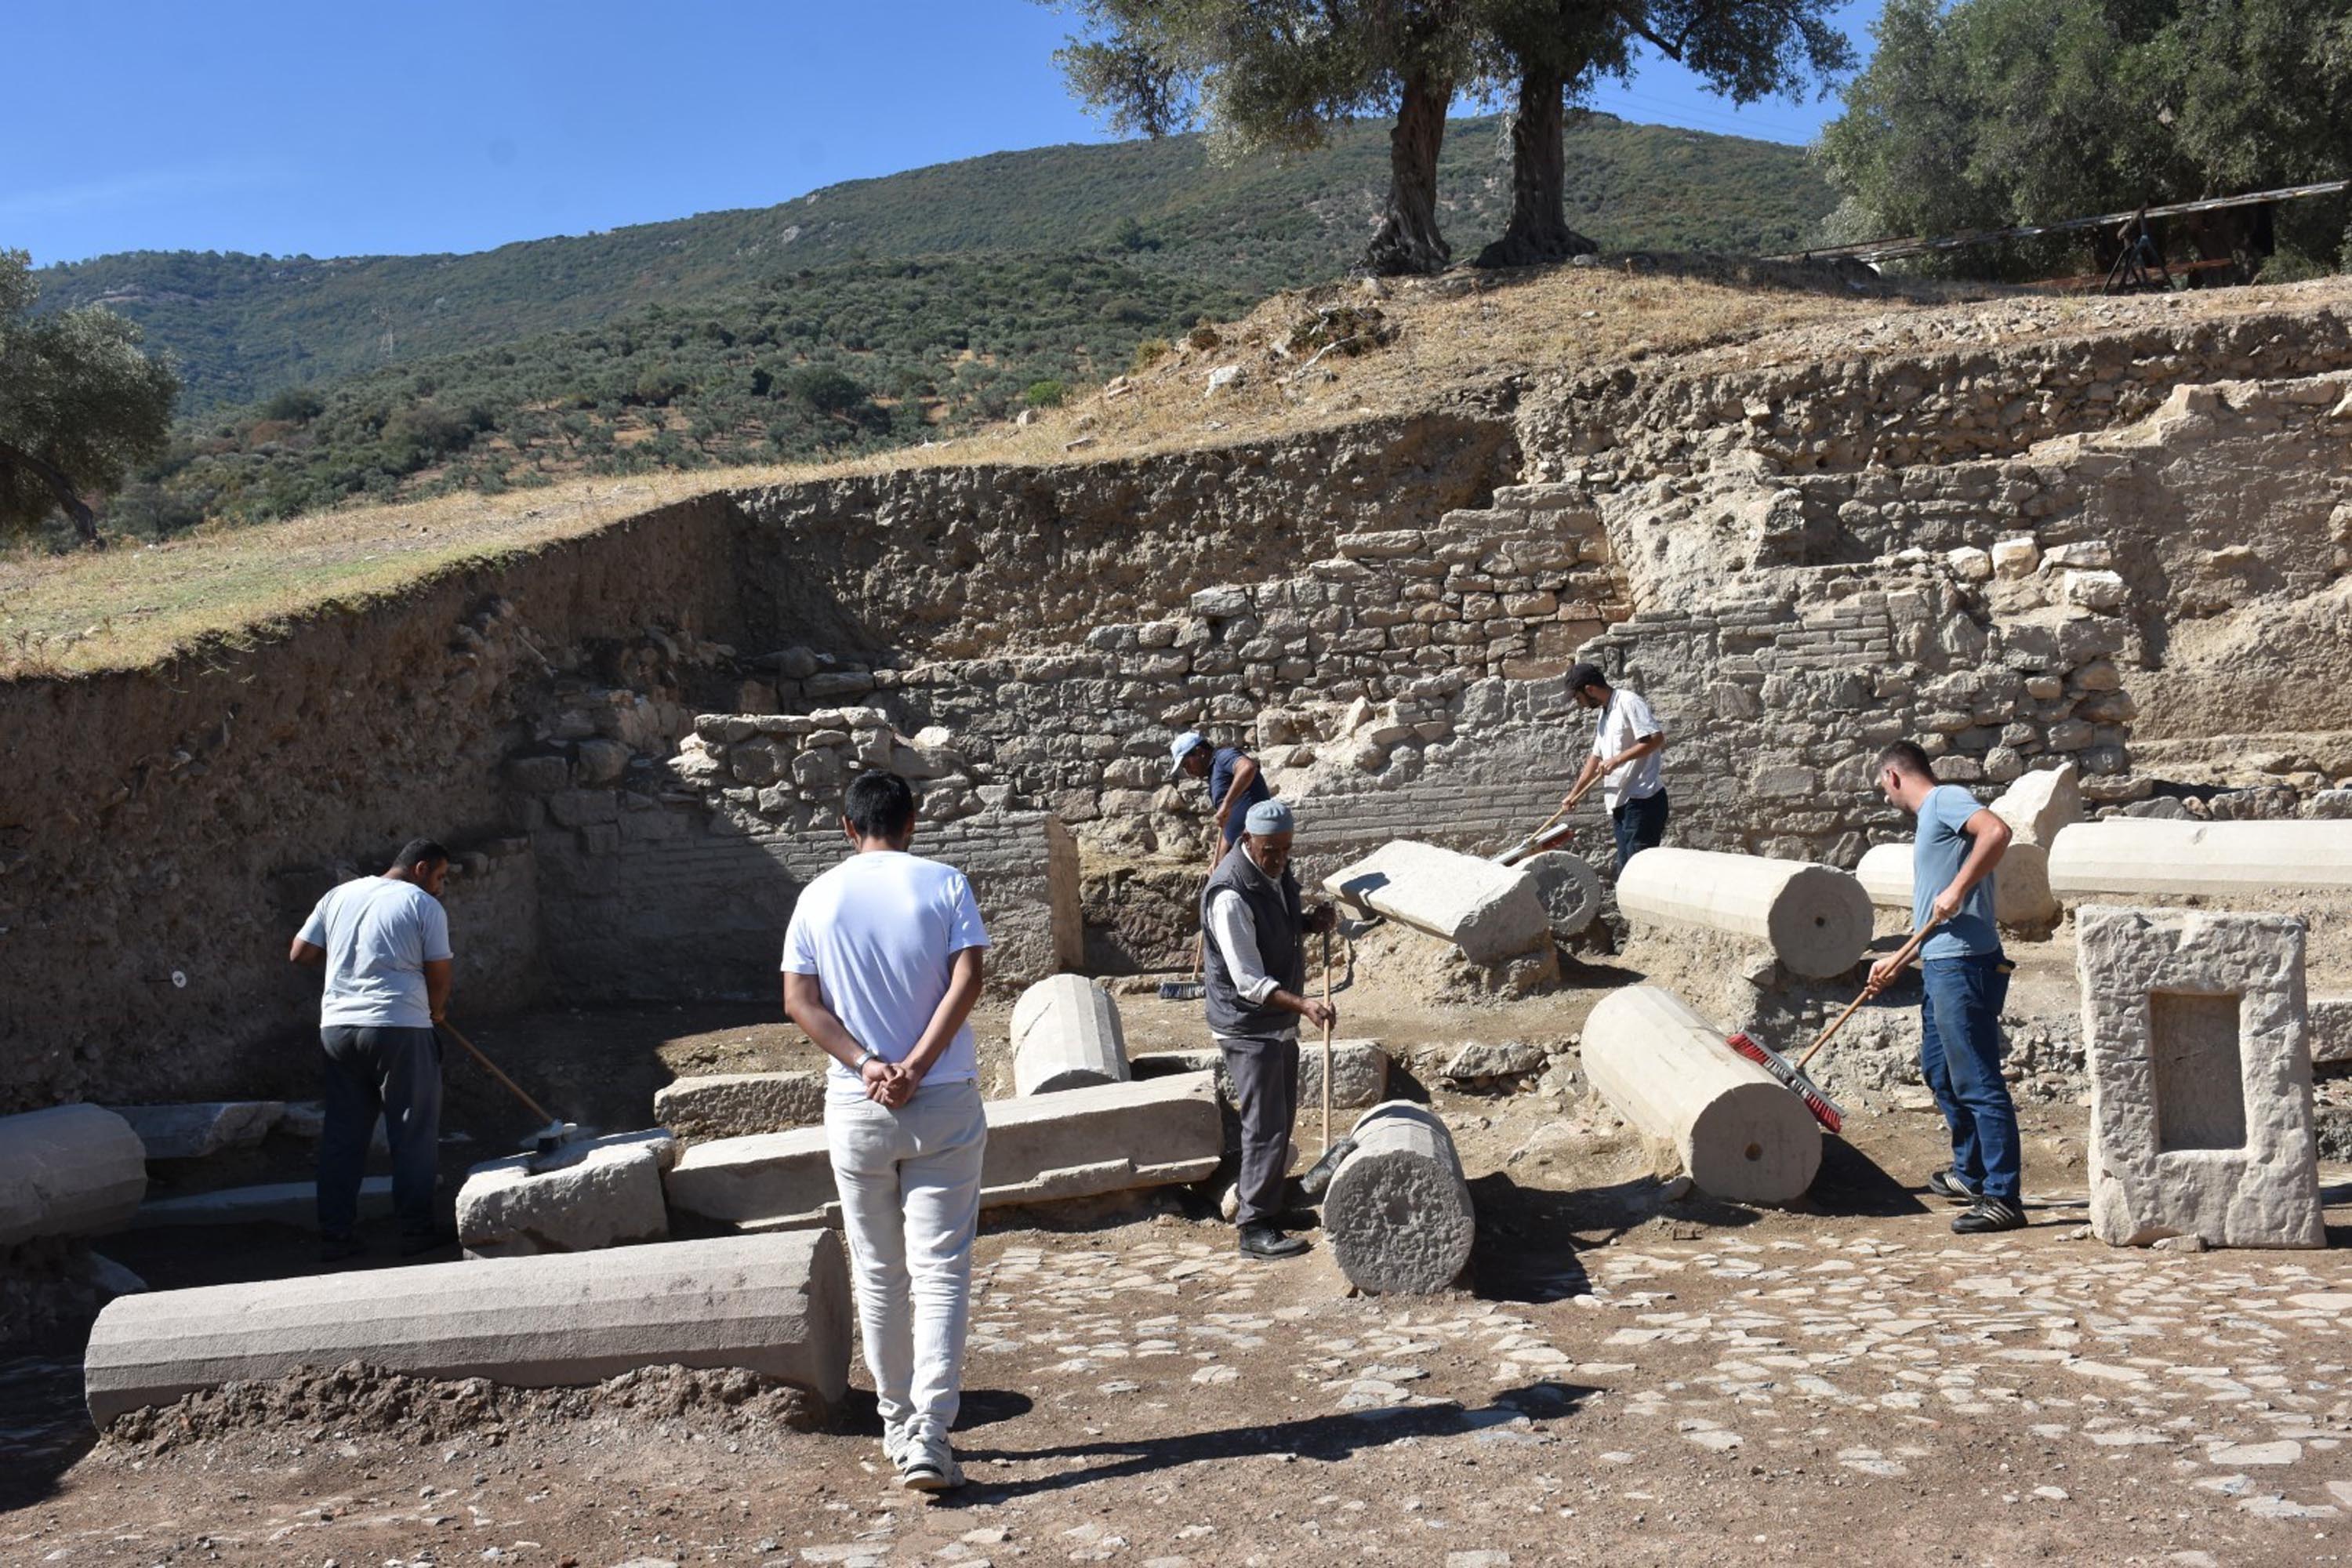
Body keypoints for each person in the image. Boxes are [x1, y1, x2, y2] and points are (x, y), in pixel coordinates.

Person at [782, 771, 989, 1493]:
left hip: (858, 1105)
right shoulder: (944, 883)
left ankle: (896, 1423)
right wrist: (916, 1065)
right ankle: (929, 1433)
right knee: (941, 1269)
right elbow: (970, 979)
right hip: (943, 1101)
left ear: (847, 826)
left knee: (879, 1272)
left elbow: (799, 1001)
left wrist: (871, 1065)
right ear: (914, 820)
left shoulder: (816, 896)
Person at [1864, 741, 2024, 1235]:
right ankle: (1971, 1174)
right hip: (1939, 963)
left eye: (1882, 789)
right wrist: (1898, 957)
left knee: (1977, 1080)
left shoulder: (1943, 800)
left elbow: (1997, 832)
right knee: (1940, 1072)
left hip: (1965, 967)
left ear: (1893, 776)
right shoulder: (1931, 821)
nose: (1886, 799)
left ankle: (2002, 1196)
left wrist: (1957, 887)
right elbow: (1930, 920)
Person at [289, 838, 455, 1261]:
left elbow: (300, 954)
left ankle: (335, 1235)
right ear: (421, 868)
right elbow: (439, 970)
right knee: (412, 1132)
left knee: (343, 1136)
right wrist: (436, 1012)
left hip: (338, 1030)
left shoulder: (339, 894)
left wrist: (350, 960)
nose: (440, 886)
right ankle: (415, 1231)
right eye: (439, 876)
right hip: (399, 1028)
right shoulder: (422, 905)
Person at [1202, 797, 1337, 1260]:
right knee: (1262, 1125)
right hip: (1247, 1024)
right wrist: (1304, 1005)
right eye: (1269, 851)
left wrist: (1307, 921)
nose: (1279, 859)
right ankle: (1254, 1226)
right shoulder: (1231, 894)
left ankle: (1273, 1205)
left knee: (1281, 1118)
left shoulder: (1275, 872)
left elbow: (1275, 922)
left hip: (1275, 1022)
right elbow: (1248, 981)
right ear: (1246, 841)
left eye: (1285, 849)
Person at [1556, 662, 1668, 872]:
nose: (1579, 704)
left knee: (1638, 872)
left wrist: (1617, 760)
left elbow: (1656, 739)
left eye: (1578, 698)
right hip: (1621, 801)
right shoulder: (1604, 714)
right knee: (1626, 870)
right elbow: (1595, 757)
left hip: (1643, 800)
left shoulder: (1629, 702)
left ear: (1589, 689)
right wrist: (1574, 794)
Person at [1171, 730, 1272, 849]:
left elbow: (1247, 767)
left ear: (1199, 752)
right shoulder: (1213, 774)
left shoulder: (1223, 757)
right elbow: (1225, 825)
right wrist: (1217, 863)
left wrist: (1226, 804)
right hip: (1244, 849)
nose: (1188, 771)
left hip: (1260, 846)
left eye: (1187, 764)